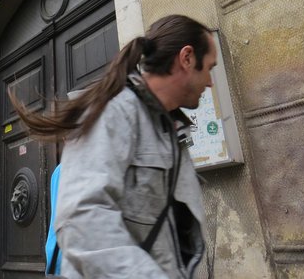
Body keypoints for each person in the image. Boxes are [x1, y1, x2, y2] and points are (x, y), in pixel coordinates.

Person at [15, 15, 216, 278]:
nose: (210, 82)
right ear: (187, 58)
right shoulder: (115, 112)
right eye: (209, 68)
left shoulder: (168, 128)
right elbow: (82, 221)